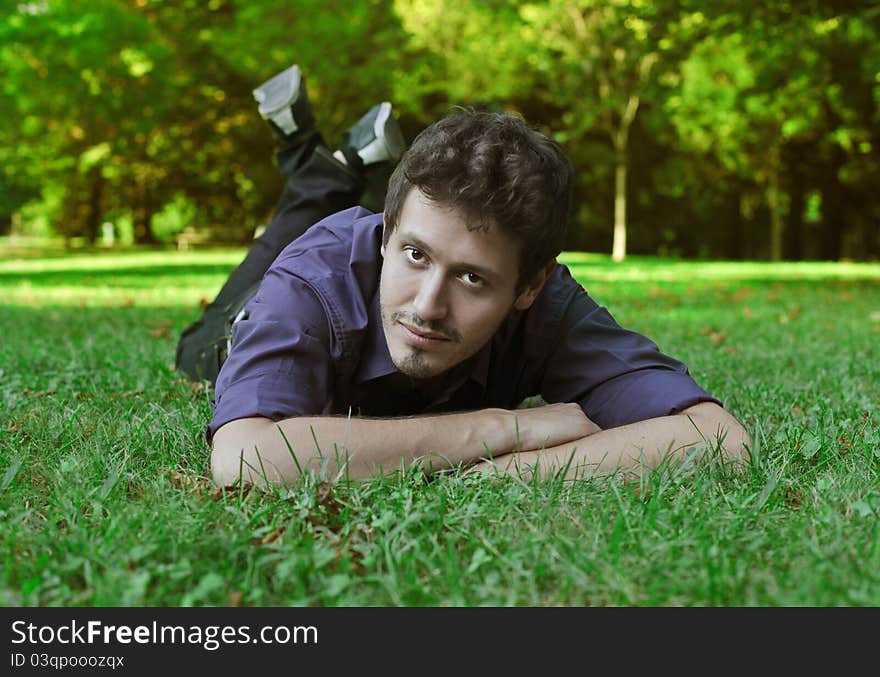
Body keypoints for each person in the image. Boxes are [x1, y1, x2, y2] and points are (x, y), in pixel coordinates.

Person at [177, 64, 750, 486]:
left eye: (472, 279)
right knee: (206, 334)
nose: (428, 305)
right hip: (242, 324)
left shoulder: (548, 303)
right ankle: (317, 164)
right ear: (385, 235)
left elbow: (719, 440)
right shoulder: (316, 278)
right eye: (415, 255)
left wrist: (511, 475)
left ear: (529, 286)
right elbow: (244, 460)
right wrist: (500, 430)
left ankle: (332, 161)